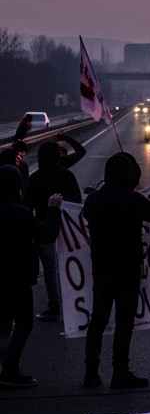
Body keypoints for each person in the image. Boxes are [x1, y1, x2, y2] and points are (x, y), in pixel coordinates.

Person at [82, 153, 150, 389]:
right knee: (124, 320)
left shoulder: (93, 201)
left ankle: (91, 372)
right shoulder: (133, 201)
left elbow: (88, 215)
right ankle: (120, 372)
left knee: (98, 320)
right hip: (127, 269)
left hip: (102, 268)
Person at [0, 165, 62, 388]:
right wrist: (53, 209)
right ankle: (10, 370)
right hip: (17, 277)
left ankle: (3, 366)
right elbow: (47, 233)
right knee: (23, 323)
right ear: (18, 187)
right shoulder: (20, 213)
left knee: (3, 323)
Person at [23, 136, 86, 322]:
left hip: (44, 228)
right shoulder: (66, 174)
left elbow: (26, 207)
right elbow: (77, 203)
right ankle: (75, 302)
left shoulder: (35, 178)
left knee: (50, 267)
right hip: (68, 229)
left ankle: (54, 305)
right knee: (71, 263)